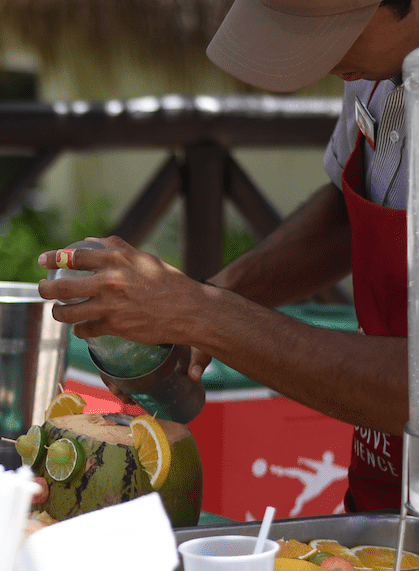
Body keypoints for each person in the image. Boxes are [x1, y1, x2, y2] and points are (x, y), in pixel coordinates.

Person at [37, 0, 419, 512]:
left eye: (332, 33)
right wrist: (212, 297)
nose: (323, 63)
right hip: (385, 502)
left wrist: (201, 312)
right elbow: (352, 212)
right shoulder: (378, 63)